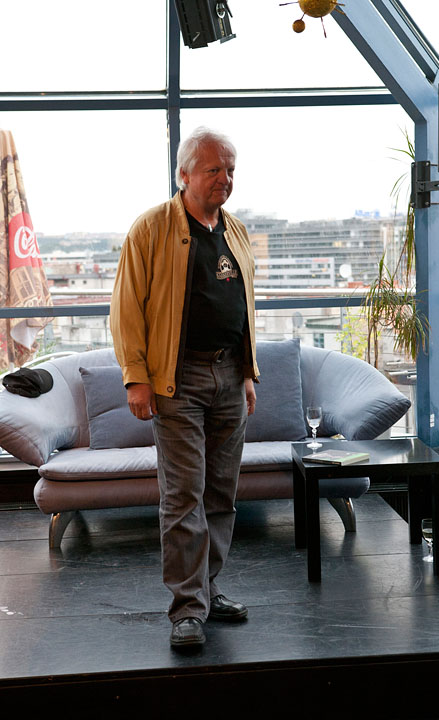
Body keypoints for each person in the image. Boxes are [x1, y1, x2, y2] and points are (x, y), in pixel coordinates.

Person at [110, 127, 259, 648]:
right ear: (184, 175)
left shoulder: (236, 231)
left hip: (229, 376)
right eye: (214, 169)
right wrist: (137, 378)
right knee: (183, 497)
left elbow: (245, 309)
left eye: (230, 170)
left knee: (221, 495)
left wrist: (246, 373)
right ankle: (187, 610)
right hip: (178, 379)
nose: (225, 179)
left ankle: (208, 590)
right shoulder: (151, 229)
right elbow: (126, 310)